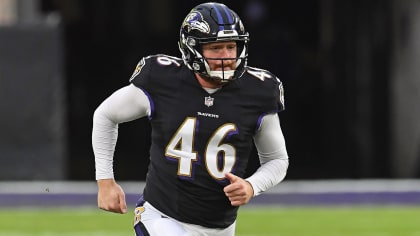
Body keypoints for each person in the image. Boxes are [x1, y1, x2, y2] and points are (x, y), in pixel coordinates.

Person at [92, 2, 289, 235]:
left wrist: (251, 185)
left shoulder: (258, 91)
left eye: (231, 46)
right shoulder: (162, 79)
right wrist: (105, 181)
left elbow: (277, 160)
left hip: (221, 226)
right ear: (192, 48)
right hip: (162, 215)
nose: (226, 56)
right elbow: (105, 115)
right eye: (215, 48)